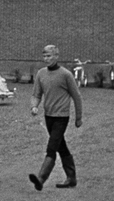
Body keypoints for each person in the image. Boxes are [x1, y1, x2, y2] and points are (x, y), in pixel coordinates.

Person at [28, 44, 83, 190]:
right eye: (44, 56)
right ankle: (71, 178)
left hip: (61, 117)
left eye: (49, 56)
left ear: (56, 56)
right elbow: (36, 94)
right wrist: (34, 106)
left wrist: (79, 117)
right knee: (61, 146)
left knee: (52, 147)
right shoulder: (41, 74)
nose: (46, 59)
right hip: (49, 117)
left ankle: (41, 179)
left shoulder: (65, 75)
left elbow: (76, 96)